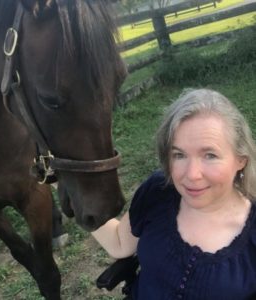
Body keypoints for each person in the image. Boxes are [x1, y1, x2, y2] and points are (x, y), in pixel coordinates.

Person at [92, 88, 256, 299]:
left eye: (210, 155)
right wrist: (68, 185)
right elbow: (120, 243)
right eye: (179, 155)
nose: (192, 174)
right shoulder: (158, 192)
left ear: (240, 160)